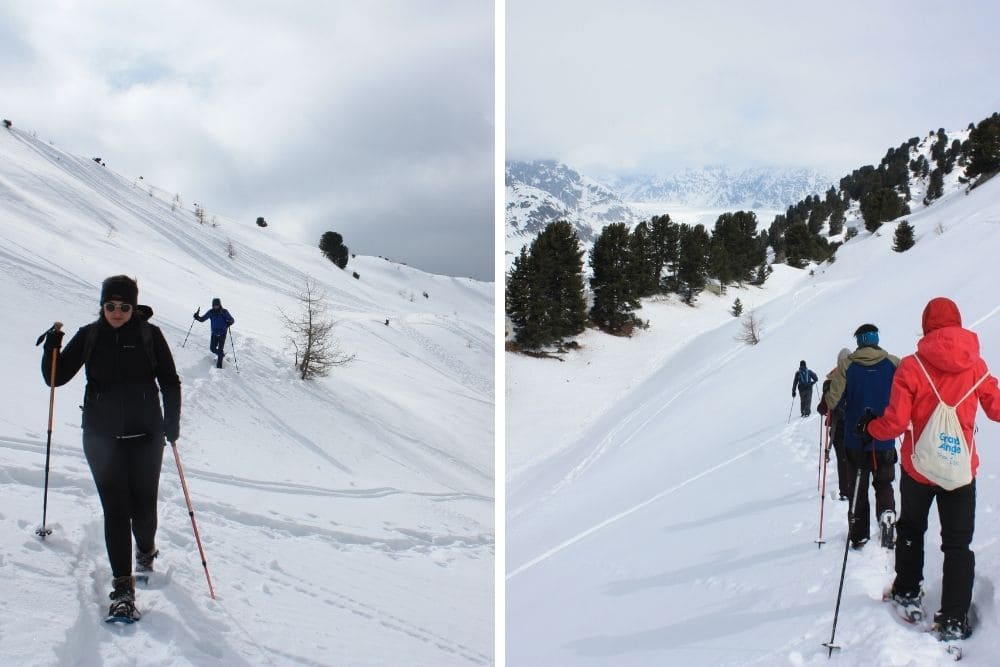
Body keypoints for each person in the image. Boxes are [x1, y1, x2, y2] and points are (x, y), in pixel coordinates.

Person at [40, 275, 181, 621]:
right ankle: (122, 589)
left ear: (134, 308)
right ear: (102, 305)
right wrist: (51, 349)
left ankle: (145, 550)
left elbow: (170, 381)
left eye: (124, 306)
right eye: (110, 305)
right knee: (116, 509)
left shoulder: (150, 335)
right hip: (101, 436)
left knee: (144, 506)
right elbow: (55, 378)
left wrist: (171, 422)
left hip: (146, 435)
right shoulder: (90, 336)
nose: (116, 312)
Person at [858, 298, 1000, 640]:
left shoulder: (912, 366)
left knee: (911, 529)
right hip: (960, 472)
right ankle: (954, 618)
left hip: (919, 468)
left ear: (926, 326)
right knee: (957, 544)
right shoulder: (976, 366)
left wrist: (869, 428)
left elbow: (894, 424)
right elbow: (996, 409)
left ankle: (907, 591)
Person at [824, 323, 900, 549]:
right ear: (876, 339)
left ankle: (859, 534)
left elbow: (832, 402)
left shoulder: (847, 366)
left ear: (858, 340)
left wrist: (832, 393)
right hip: (884, 436)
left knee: (858, 486)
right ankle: (887, 515)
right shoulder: (893, 363)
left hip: (854, 439)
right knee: (884, 483)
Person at [817, 348, 852, 501]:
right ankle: (856, 489)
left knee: (843, 459)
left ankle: (845, 491)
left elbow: (822, 408)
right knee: (855, 459)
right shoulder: (858, 376)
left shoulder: (831, 380)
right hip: (858, 426)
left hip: (838, 427)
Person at [194, 297, 235, 368]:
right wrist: (197, 317)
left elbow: (232, 320)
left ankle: (219, 367)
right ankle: (222, 355)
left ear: (220, 305)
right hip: (214, 333)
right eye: (214, 305)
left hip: (222, 333)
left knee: (220, 349)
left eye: (217, 305)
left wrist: (229, 323)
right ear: (212, 305)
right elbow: (202, 319)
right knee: (212, 348)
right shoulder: (211, 312)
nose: (216, 306)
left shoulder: (224, 312)